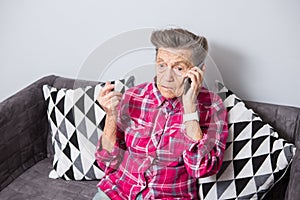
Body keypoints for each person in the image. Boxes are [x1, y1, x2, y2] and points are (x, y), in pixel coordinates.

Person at [94, 28, 228, 200]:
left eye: (179, 68)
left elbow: (200, 169)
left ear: (198, 71)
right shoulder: (133, 96)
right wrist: (111, 116)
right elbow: (106, 162)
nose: (167, 77)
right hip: (117, 192)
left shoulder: (212, 106)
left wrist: (189, 109)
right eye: (162, 65)